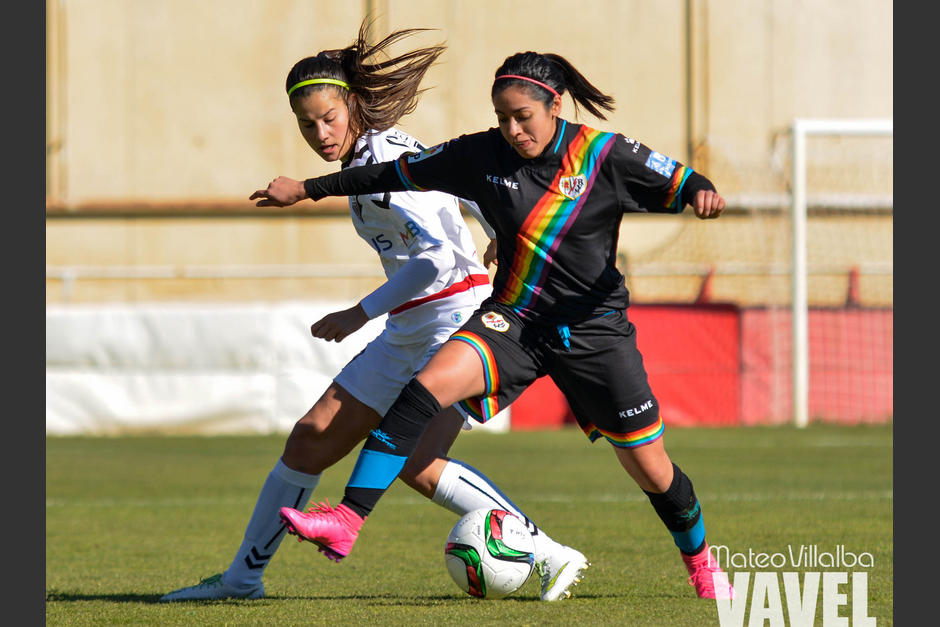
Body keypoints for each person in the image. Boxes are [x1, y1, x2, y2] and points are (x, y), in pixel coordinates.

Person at [253, 50, 736, 601]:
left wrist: (701, 192)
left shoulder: (602, 153)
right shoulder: (481, 152)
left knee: (651, 469)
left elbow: (679, 178)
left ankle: (700, 563)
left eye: (523, 116)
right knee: (425, 388)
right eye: (502, 117)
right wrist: (309, 190)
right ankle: (348, 519)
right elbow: (391, 173)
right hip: (514, 321)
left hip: (593, 331)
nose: (512, 129)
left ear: (554, 105)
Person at [160, 29, 588, 603]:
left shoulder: (383, 160)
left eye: (329, 118)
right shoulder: (374, 155)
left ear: (353, 106)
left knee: (417, 459)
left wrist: (358, 312)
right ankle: (242, 580)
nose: (321, 133)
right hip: (411, 325)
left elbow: (434, 259)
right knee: (311, 439)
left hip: (453, 320)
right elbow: (463, 190)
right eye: (307, 125)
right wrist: (493, 232)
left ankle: (551, 552)